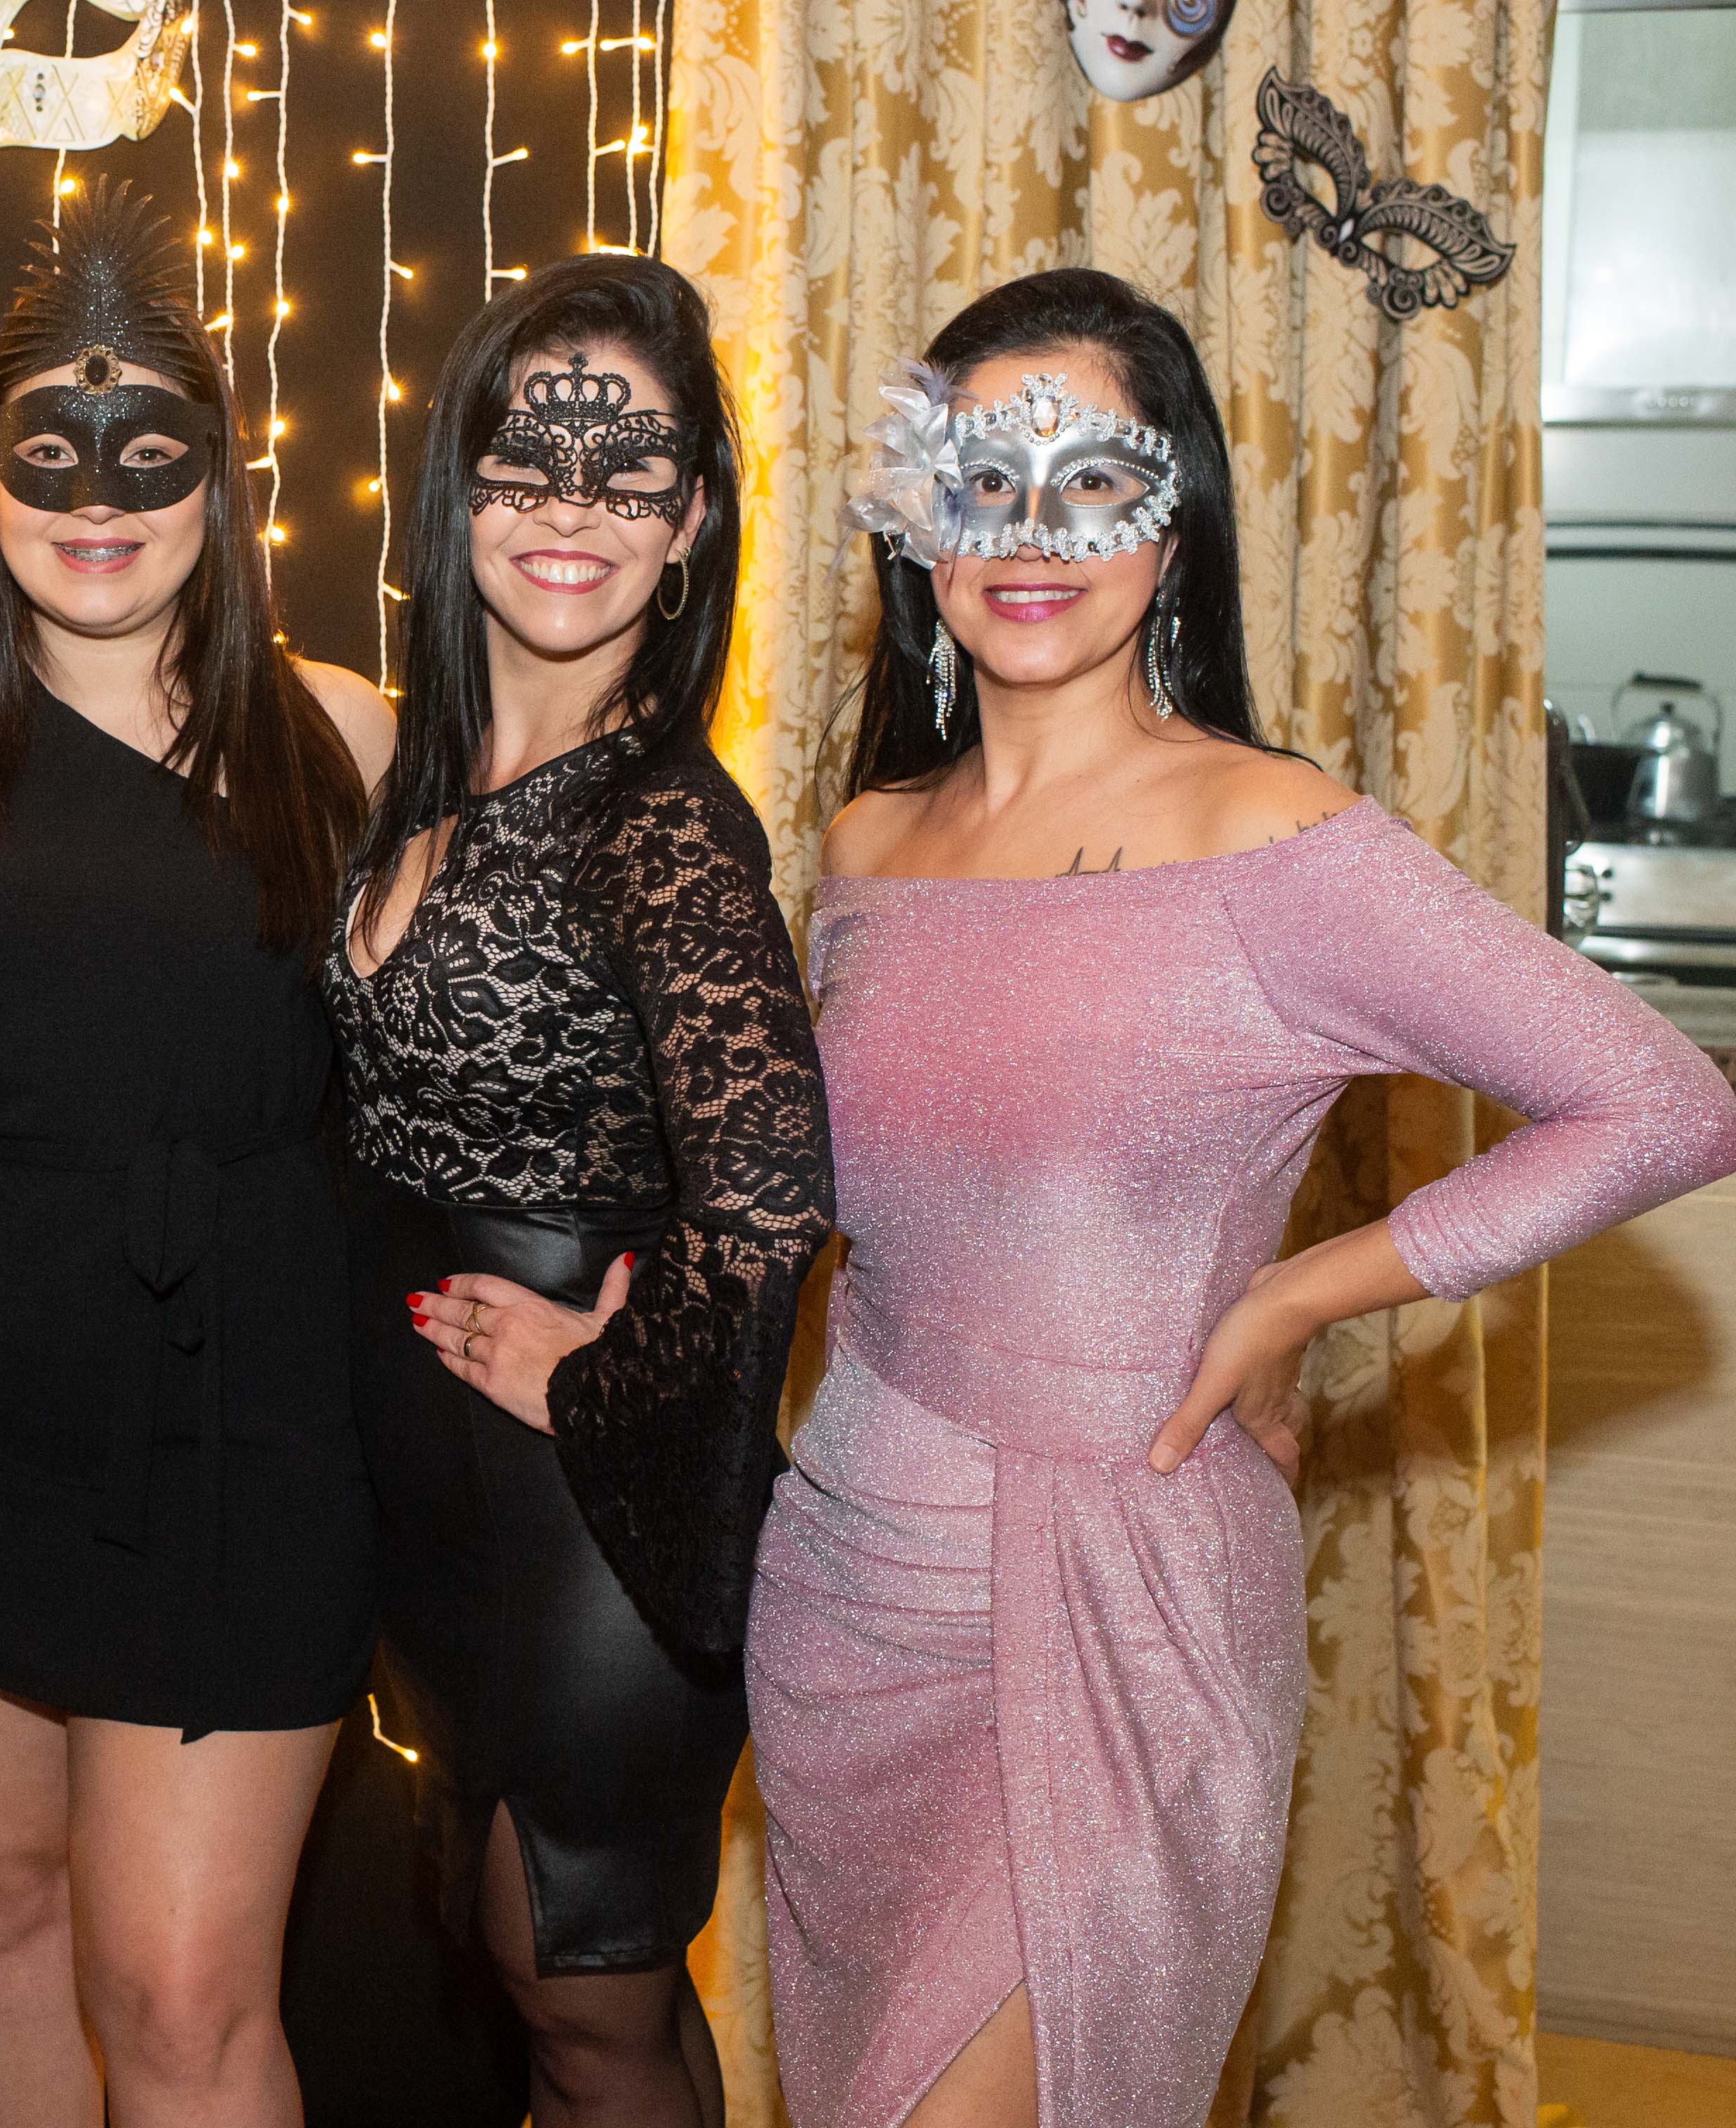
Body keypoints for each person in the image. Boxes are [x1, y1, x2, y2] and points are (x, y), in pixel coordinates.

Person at [747, 267, 1736, 2128]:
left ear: (1176, 518)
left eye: (1089, 480)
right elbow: (835, 1215)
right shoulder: (870, 839)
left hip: (1123, 1591)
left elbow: (1663, 1103)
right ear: (915, 516)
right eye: (980, 478)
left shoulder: (1274, 839)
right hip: (848, 1586)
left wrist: (1297, 1295)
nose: (1029, 533)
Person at [0, 178, 391, 2127]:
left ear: (220, 478)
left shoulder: (342, 742)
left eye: (148, 449)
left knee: (182, 1992)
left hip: (244, 1423)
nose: (98, 494)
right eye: (46, 450)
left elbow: (481, 1044)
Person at [323, 254, 834, 2128]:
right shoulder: (430, 775)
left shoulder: (662, 822)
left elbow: (771, 1197)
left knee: (583, 2002)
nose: (572, 509)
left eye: (630, 474)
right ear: (458, 486)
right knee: (563, 1992)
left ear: (691, 521)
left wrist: (604, 1379)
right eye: (530, 461)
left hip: (586, 1525)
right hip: (445, 1505)